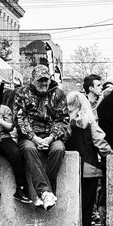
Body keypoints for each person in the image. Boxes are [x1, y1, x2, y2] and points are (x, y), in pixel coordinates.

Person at [65, 87, 113, 226]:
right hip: (89, 168)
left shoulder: (66, 123)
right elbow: (101, 143)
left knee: (71, 205)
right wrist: (111, 155)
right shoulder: (89, 122)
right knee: (86, 205)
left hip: (69, 170)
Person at [15, 65, 68, 208]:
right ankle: (46, 192)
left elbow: (62, 119)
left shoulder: (58, 94)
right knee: (28, 149)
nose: (44, 84)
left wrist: (50, 137)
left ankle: (43, 194)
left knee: (58, 150)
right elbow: (20, 118)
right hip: (29, 136)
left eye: (46, 80)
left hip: (52, 136)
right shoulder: (22, 93)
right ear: (32, 80)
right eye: (40, 80)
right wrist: (33, 137)